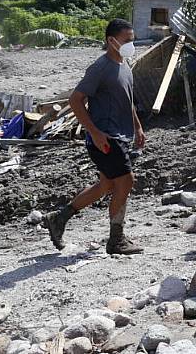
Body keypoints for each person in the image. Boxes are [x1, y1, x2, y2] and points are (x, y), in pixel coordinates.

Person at [44, 19, 146, 255]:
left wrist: (138, 128)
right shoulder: (100, 67)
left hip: (120, 135)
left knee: (107, 184)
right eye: (127, 40)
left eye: (132, 39)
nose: (131, 44)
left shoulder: (125, 65)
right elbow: (75, 100)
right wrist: (95, 132)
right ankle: (116, 239)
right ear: (111, 41)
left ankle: (59, 218)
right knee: (126, 181)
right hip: (106, 138)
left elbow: (127, 102)